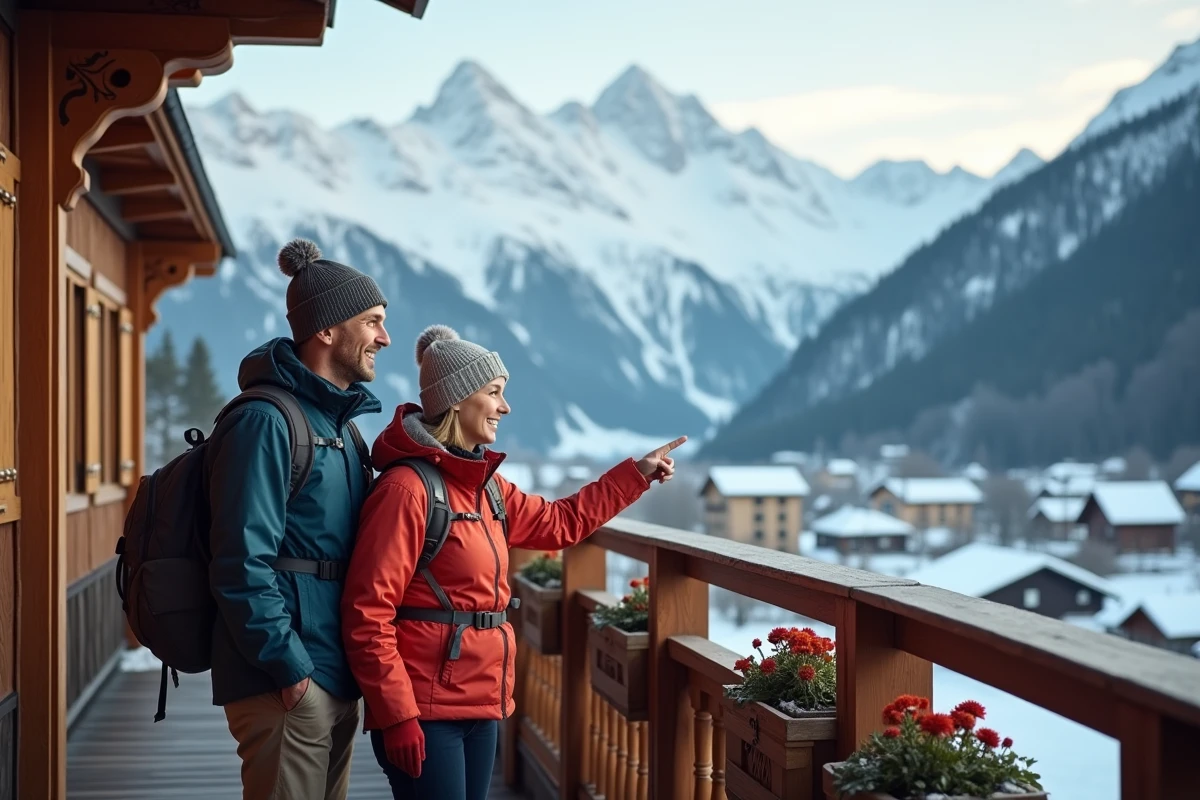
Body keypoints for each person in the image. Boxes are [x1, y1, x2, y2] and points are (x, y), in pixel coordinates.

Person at [341, 324, 685, 800]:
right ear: (458, 400)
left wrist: (635, 475)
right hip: (423, 709)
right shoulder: (406, 490)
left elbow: (558, 523)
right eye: (495, 393)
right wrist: (397, 715)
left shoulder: (488, 489)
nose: (505, 407)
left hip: (481, 703)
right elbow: (366, 613)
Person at [206, 237, 391, 800]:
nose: (384, 338)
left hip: (330, 673)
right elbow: (240, 561)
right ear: (328, 330)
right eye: (373, 322)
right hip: (284, 679)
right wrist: (289, 672)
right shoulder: (265, 421)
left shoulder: (340, 426)